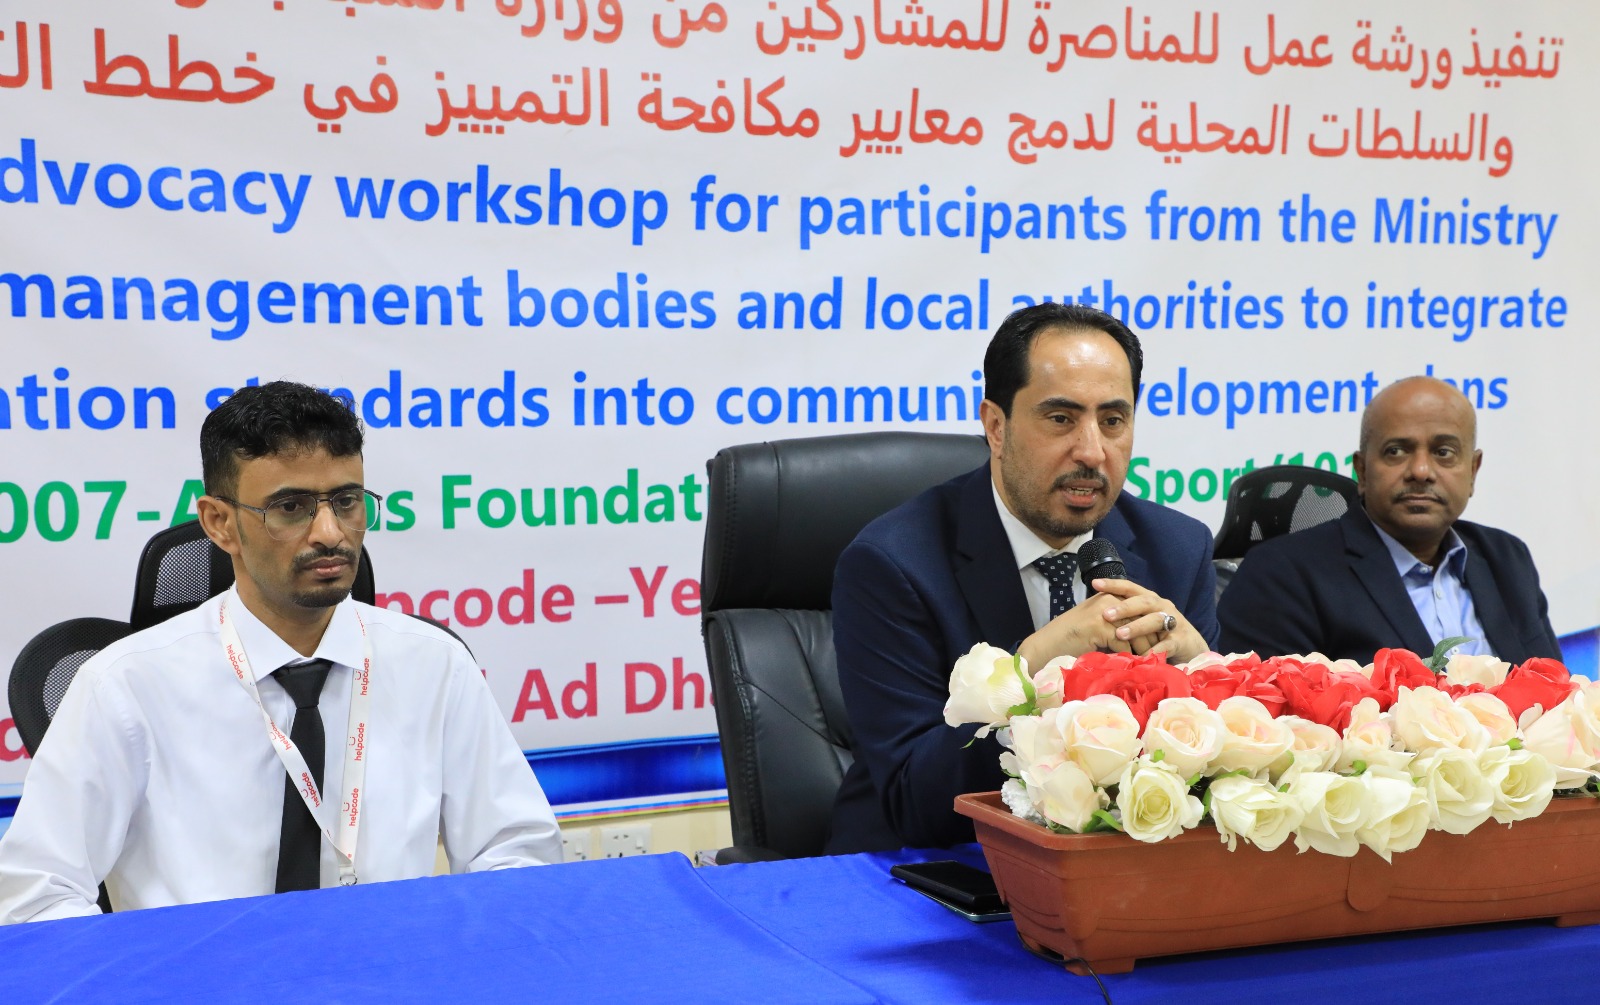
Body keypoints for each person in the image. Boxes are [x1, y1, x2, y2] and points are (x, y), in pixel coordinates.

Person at [0, 382, 561, 923]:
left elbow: (516, 851)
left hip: (388, 964)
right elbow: (38, 896)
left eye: (347, 501)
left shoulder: (434, 666)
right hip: (198, 973)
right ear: (220, 523)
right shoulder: (125, 687)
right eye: (291, 507)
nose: (330, 533)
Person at [828, 303, 1219, 853]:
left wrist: (1207, 675)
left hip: (1112, 863)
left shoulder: (1177, 549)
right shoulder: (894, 563)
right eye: (1060, 419)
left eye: (1113, 421)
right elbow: (914, 801)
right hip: (926, 867)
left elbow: (1211, 783)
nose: (1092, 451)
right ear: (996, 426)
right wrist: (1031, 668)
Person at [1216, 376, 1561, 666]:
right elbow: (1279, 720)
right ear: (1363, 471)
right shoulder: (1280, 576)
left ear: (1472, 470)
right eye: (1396, 451)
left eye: (1443, 452)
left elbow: (1557, 694)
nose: (1421, 471)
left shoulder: (1507, 558)